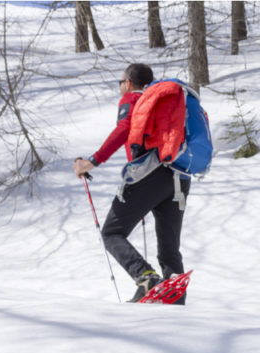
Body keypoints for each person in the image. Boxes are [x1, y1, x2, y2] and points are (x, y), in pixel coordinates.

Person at [73, 63, 191, 303]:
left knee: (111, 232)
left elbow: (125, 128)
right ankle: (176, 302)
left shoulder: (133, 99)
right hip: (180, 176)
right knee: (169, 249)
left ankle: (146, 277)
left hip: (150, 174)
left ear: (128, 83)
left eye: (120, 82)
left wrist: (93, 161)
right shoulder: (166, 103)